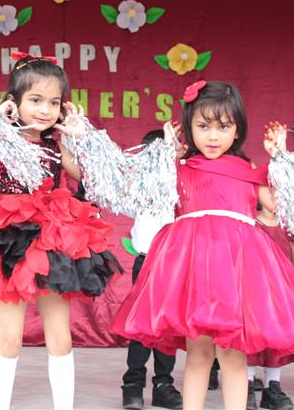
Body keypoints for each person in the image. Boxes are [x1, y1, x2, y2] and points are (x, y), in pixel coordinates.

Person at [103, 81, 294, 409]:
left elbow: (283, 206)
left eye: (223, 127)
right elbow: (140, 194)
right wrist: (165, 156)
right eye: (203, 126)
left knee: (232, 357)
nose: (213, 136)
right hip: (194, 274)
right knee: (198, 354)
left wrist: (279, 158)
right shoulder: (180, 169)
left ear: (237, 129)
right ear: (189, 126)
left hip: (236, 275)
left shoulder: (249, 171)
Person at [0, 53, 122, 410]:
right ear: (15, 101)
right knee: (9, 338)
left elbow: (88, 175)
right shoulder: (0, 142)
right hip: (9, 240)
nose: (45, 110)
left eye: (54, 102)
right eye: (36, 100)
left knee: (60, 338)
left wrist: (81, 138)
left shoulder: (56, 145)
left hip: (53, 239)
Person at [119, 130, 182, 410]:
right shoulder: (140, 183)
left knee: (167, 326)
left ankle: (163, 385)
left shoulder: (181, 181)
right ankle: (133, 384)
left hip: (175, 263)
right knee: (142, 325)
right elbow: (124, 199)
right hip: (146, 261)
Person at [245, 202, 294, 410]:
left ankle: (272, 387)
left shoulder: (287, 225)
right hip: (255, 291)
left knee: (278, 339)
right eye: (267, 189)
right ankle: (247, 384)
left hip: (282, 292)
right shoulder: (249, 223)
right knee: (252, 338)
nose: (274, 195)